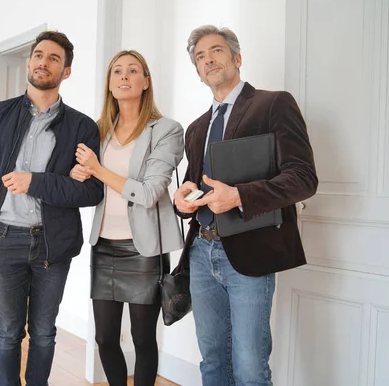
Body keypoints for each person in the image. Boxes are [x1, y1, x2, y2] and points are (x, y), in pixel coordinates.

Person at [174, 25, 318, 385]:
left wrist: (239, 196)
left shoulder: (273, 104)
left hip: (250, 254)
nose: (208, 60)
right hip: (201, 253)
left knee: (250, 368)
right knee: (211, 362)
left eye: (216, 51)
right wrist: (182, 200)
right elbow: (197, 186)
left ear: (236, 58)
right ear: (197, 72)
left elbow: (303, 178)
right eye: (200, 57)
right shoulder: (196, 128)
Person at [0, 30, 103, 386]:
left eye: (54, 58)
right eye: (39, 55)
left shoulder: (82, 126)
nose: (44, 62)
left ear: (66, 71)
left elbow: (92, 191)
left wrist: (34, 181)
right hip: (3, 239)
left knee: (43, 332)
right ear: (29, 62)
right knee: (8, 330)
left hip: (53, 245)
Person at [71, 50, 184, 386]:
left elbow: (149, 194)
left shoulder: (166, 130)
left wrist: (98, 169)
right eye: (117, 71)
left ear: (145, 82)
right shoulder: (97, 130)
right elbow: (90, 180)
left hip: (144, 249)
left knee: (142, 339)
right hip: (104, 245)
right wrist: (81, 173)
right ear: (109, 84)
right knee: (104, 338)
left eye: (133, 71)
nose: (124, 76)